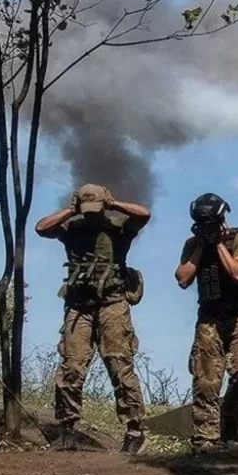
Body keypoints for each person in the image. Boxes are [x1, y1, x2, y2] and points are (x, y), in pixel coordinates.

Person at [35, 183, 150, 454]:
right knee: (71, 368)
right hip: (79, 307)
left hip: (113, 304)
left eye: (94, 209)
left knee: (120, 367)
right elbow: (41, 228)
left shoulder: (118, 225)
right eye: (85, 210)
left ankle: (135, 432)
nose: (90, 215)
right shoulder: (71, 227)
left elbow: (143, 215)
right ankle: (67, 430)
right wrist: (70, 210)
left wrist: (115, 204)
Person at [175, 192, 238, 452]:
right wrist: (202, 246)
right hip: (209, 318)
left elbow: (237, 273)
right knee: (206, 381)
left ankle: (229, 425)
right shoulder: (192, 245)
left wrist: (220, 244)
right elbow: (183, 278)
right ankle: (205, 440)